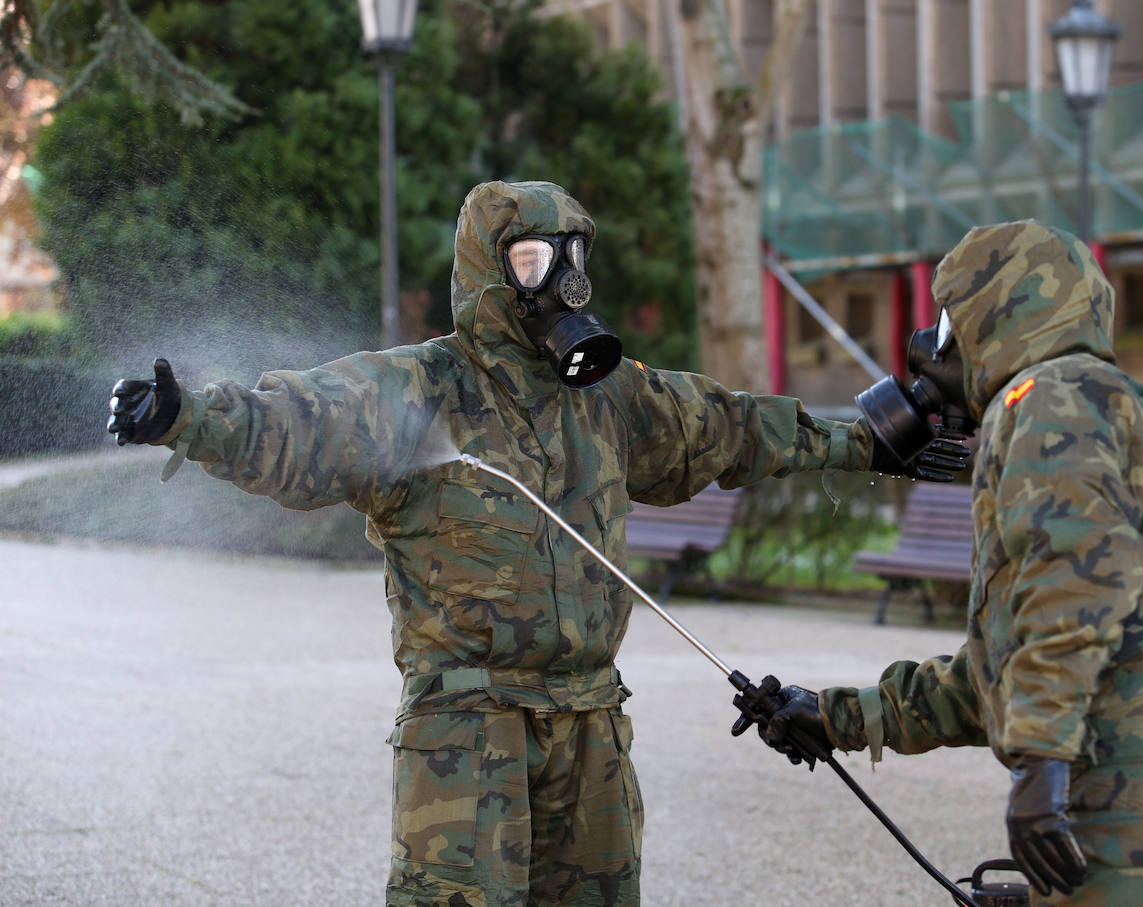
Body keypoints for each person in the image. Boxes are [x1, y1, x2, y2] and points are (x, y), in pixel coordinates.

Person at [105, 179, 966, 907]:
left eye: (571, 260)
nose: (558, 281)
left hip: (590, 721)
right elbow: (296, 424)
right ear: (490, 269)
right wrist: (190, 418)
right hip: (468, 726)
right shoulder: (420, 388)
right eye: (532, 261)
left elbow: (727, 428)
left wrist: (866, 438)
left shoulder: (607, 397)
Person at [760, 220, 1143, 905]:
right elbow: (1001, 667)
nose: (931, 348)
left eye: (950, 319)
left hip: (1137, 785)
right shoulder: (1081, 399)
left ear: (1002, 310)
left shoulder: (1051, 394)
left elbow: (1073, 579)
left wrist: (1040, 762)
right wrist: (835, 716)